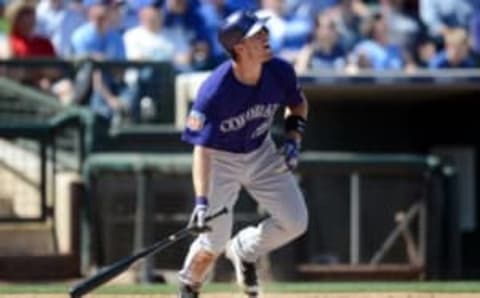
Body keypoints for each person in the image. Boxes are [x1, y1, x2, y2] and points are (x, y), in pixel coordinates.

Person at [178, 10, 309, 298]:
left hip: (261, 151)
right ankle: (189, 284)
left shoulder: (280, 70)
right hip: (221, 160)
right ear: (239, 47)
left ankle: (244, 250)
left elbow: (298, 105)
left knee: (295, 221)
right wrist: (201, 203)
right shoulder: (215, 90)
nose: (266, 37)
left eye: (264, 31)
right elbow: (202, 149)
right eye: (256, 34)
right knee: (213, 241)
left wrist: (292, 139)